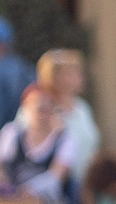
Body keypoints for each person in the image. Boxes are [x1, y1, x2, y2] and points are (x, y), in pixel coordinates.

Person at [0, 85, 82, 204]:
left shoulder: (64, 139)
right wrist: (4, 186)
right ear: (25, 108)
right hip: (10, 200)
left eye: (47, 108)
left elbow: (57, 176)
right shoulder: (11, 132)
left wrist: (29, 190)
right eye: (38, 107)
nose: (42, 113)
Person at [36, 48, 101, 179]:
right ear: (57, 77)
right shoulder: (40, 110)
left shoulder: (82, 107)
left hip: (86, 184)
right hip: (59, 188)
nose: (82, 76)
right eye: (74, 72)